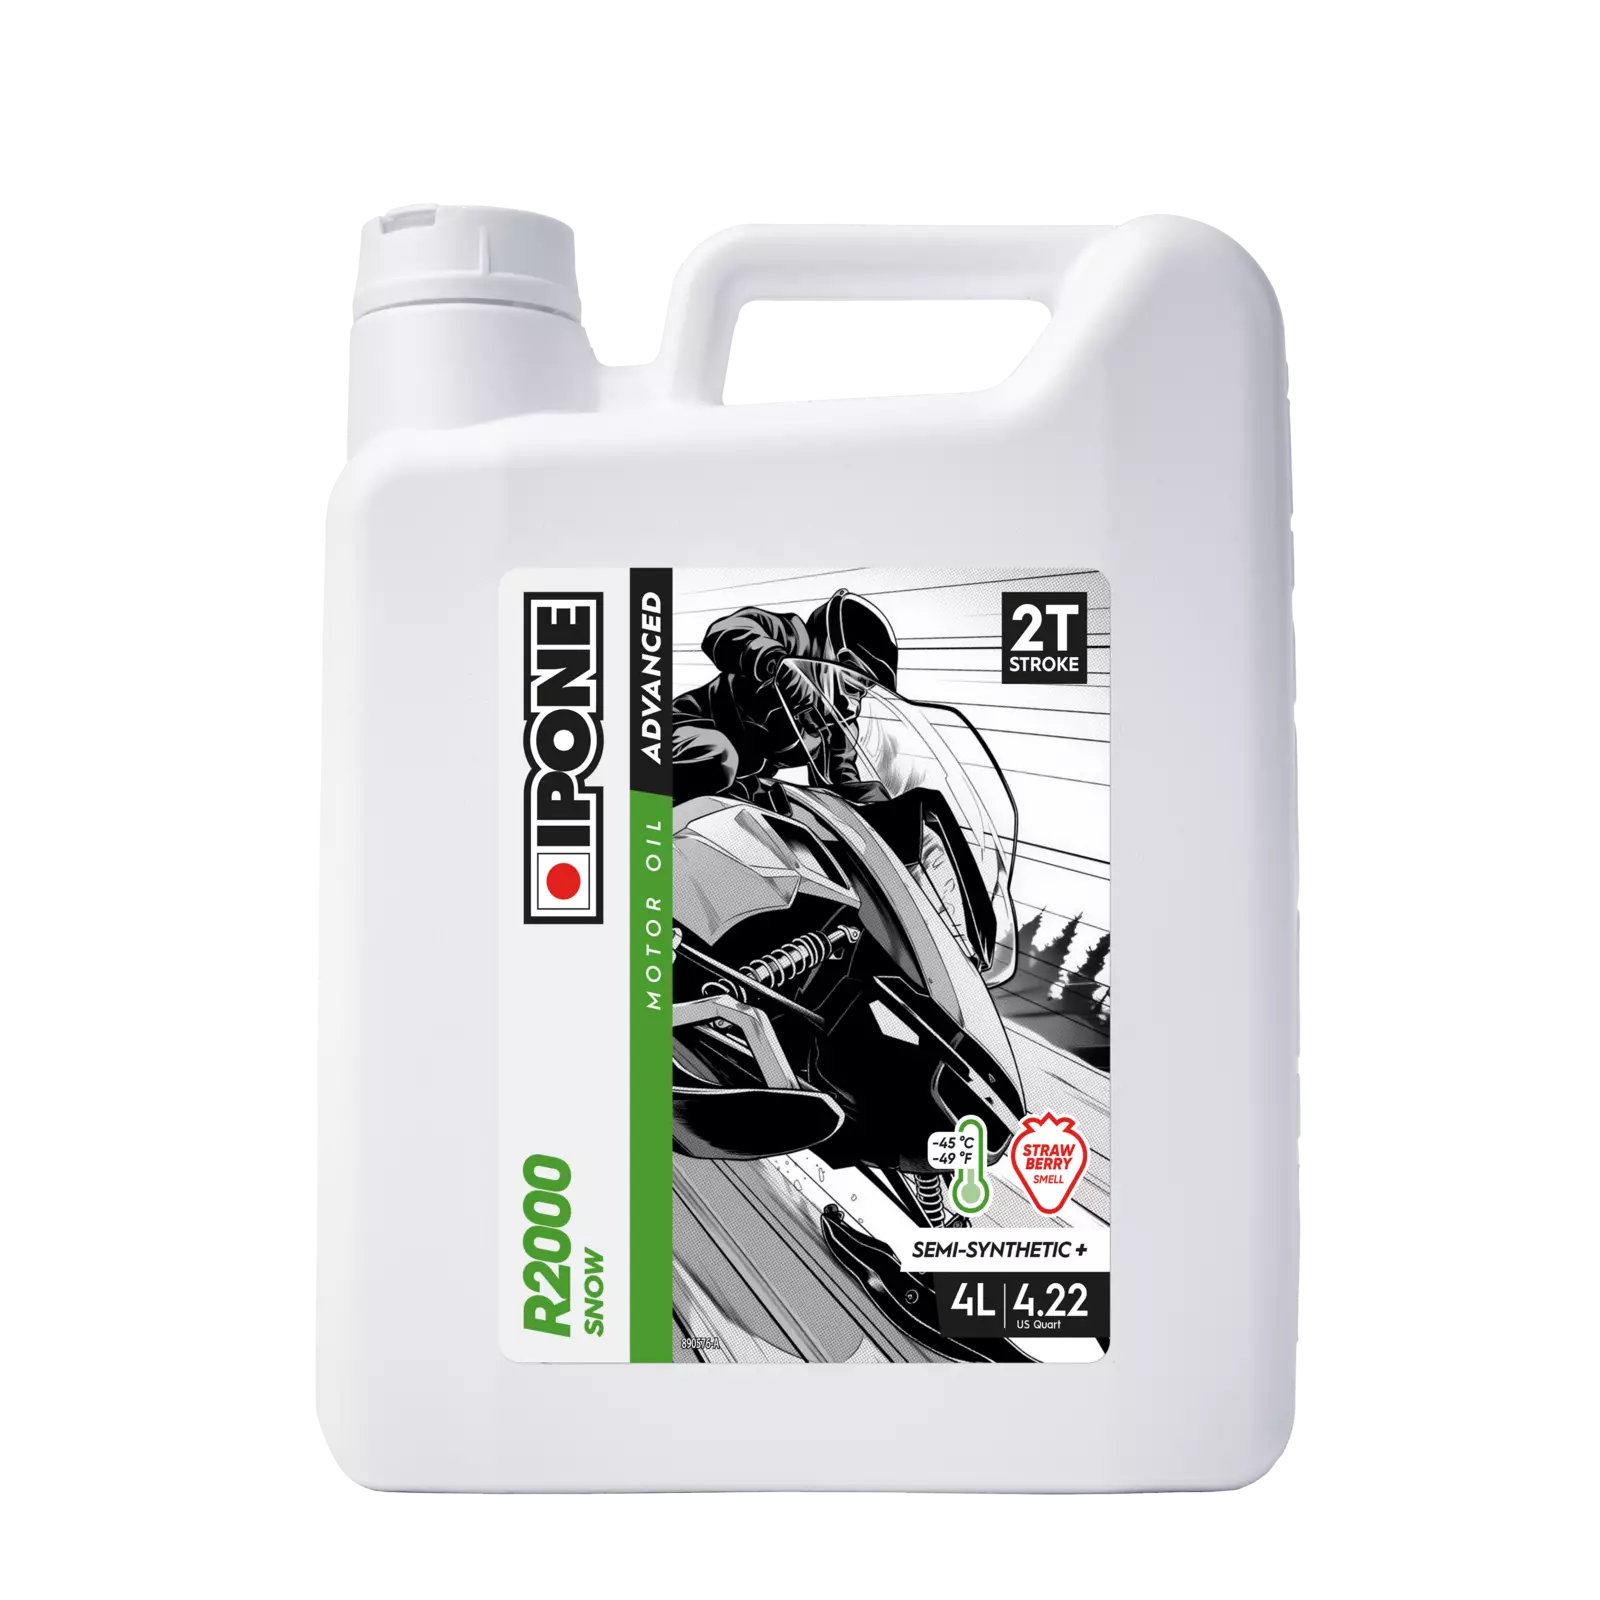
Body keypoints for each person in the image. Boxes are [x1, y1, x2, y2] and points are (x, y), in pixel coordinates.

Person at [672, 588, 899, 804]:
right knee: (719, 756)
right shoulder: (793, 638)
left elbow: (840, 783)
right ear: (826, 651)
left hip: (737, 779)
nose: (852, 705)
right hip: (680, 733)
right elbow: (724, 631)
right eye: (851, 684)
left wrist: (869, 807)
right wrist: (774, 660)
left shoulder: (836, 725)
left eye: (862, 691)